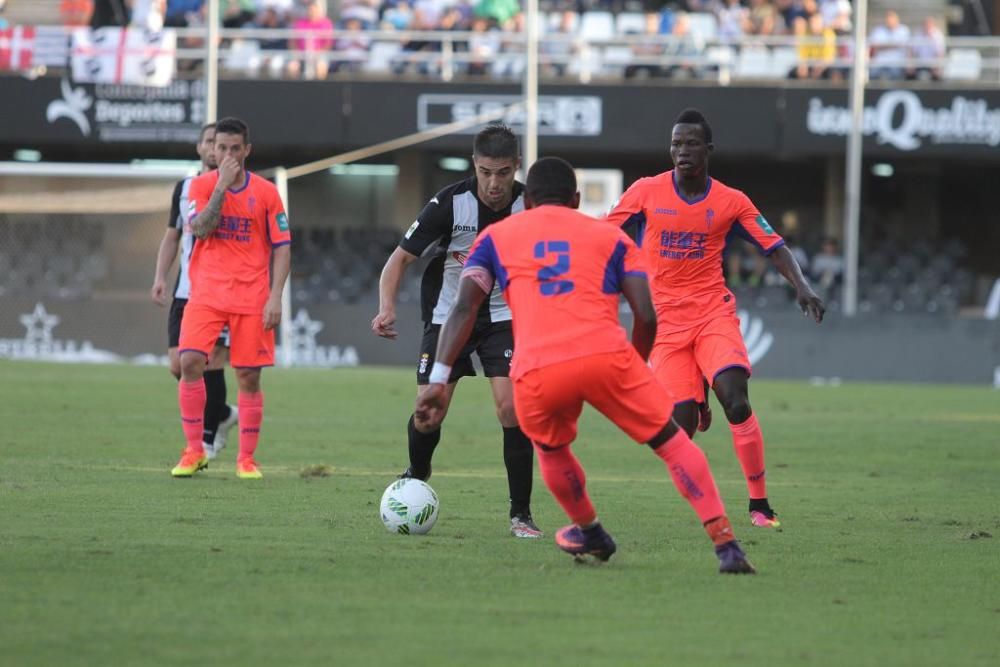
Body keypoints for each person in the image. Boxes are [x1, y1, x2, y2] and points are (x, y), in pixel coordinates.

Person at [415, 157, 754, 573]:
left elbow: (464, 307)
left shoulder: (496, 238)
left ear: (529, 199)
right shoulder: (609, 237)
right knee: (673, 444)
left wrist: (439, 377)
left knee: (553, 451)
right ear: (576, 200)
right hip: (606, 357)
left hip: (538, 368)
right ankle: (726, 546)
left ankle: (589, 530)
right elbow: (646, 314)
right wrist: (636, 362)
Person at [606, 109, 824, 529]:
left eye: (690, 143)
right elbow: (604, 233)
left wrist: (802, 285)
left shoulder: (730, 200)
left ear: (708, 149)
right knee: (678, 434)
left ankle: (759, 505)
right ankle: (696, 402)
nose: (681, 151)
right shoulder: (645, 192)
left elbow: (773, 245)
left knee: (736, 400)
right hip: (664, 322)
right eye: (675, 144)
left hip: (711, 313)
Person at [371, 124, 541, 539]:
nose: (494, 183)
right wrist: (386, 307)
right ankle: (418, 472)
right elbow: (397, 261)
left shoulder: (531, 206)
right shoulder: (449, 203)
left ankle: (521, 514)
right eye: (485, 172)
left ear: (517, 167)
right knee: (430, 411)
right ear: (474, 166)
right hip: (450, 317)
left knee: (511, 409)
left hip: (503, 317)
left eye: (503, 172)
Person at [171, 116, 292, 480]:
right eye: (220, 147)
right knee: (189, 362)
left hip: (251, 297)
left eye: (234, 148)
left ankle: (246, 459)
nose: (226, 154)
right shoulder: (200, 187)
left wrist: (275, 297)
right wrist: (221, 187)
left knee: (248, 377)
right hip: (206, 293)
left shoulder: (267, 192)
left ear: (247, 150)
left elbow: (283, 247)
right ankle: (194, 451)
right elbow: (201, 229)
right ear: (212, 148)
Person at [152, 122, 239, 461]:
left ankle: (204, 441)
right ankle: (221, 414)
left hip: (220, 291)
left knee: (211, 360)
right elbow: (173, 235)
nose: (215, 149)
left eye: (222, 144)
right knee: (180, 365)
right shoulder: (185, 187)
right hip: (186, 289)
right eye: (209, 142)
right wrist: (161, 275)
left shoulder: (241, 188)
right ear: (203, 148)